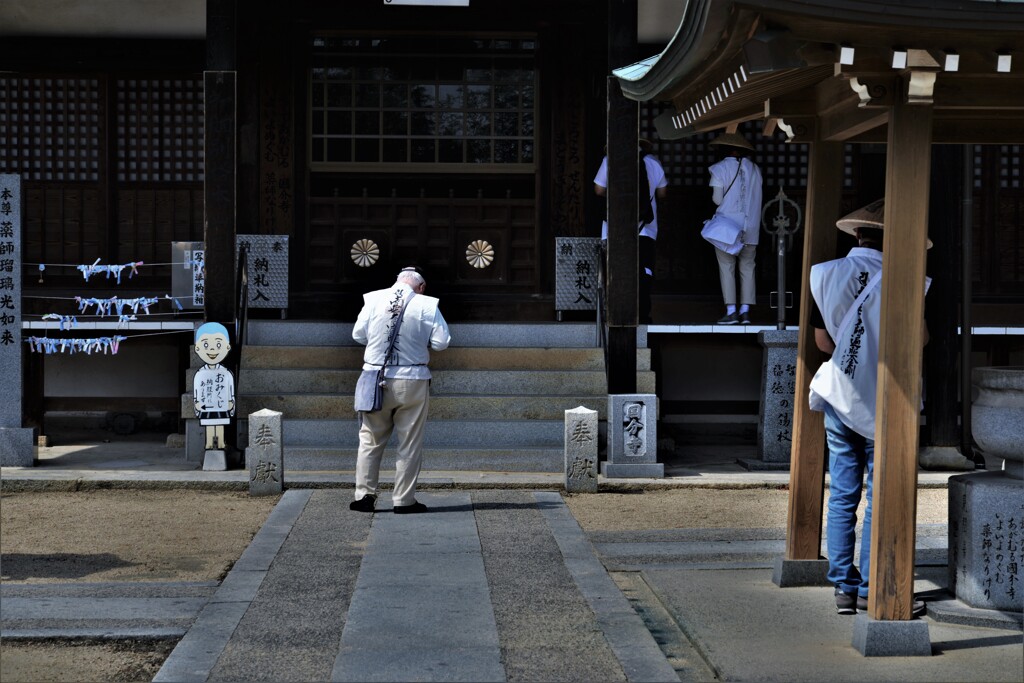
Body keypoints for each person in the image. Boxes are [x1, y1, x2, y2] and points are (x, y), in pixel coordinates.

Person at [807, 199, 930, 616]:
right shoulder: (905, 279)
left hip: (840, 394)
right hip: (886, 396)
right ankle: (874, 585)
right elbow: (920, 339)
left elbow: (823, 344)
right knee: (880, 495)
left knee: (843, 493)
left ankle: (844, 586)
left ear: (856, 234)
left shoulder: (824, 275)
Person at [349, 267, 451, 514]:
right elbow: (441, 342)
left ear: (396, 282)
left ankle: (365, 496)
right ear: (421, 287)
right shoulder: (427, 304)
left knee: (370, 439)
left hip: (375, 378)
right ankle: (404, 500)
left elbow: (358, 334)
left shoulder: (373, 299)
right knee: (409, 442)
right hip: (413, 379)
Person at [593, 139, 669, 324]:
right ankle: (642, 314)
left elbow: (599, 190)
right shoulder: (653, 162)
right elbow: (662, 194)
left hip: (615, 227)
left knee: (615, 270)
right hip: (646, 229)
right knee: (643, 272)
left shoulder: (610, 160)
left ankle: (615, 313)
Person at [707, 132, 762, 325]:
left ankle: (731, 311)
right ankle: (745, 311)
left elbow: (717, 199)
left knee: (726, 267)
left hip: (727, 228)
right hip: (751, 227)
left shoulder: (719, 169)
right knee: (747, 267)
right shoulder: (755, 169)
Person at [192, 322, 235, 451]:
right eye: (205, 344)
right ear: (197, 348)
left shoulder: (226, 373)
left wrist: (231, 403)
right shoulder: (199, 374)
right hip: (207, 407)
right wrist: (197, 405)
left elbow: (231, 391)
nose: (212, 349)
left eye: (218, 344)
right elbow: (196, 392)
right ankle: (209, 443)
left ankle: (221, 442)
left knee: (220, 424)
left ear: (227, 347)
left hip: (221, 405)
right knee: (210, 425)